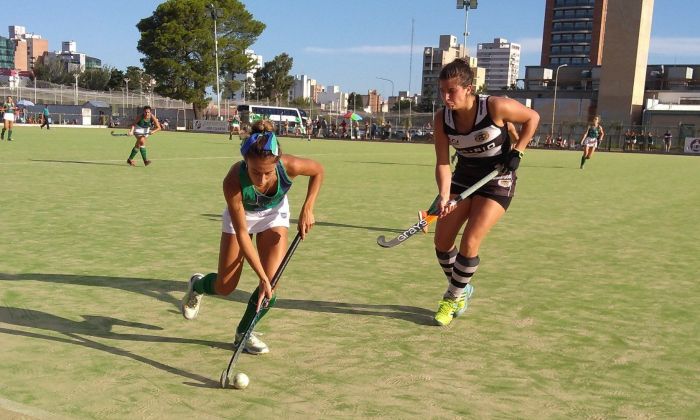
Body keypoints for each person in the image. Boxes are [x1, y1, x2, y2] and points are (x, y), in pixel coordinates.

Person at [180, 120, 323, 354]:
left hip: (274, 215)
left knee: (271, 286)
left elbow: (318, 170)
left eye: (268, 173)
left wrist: (308, 207)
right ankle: (198, 285)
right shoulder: (233, 180)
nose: (262, 179)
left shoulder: (288, 166)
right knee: (225, 286)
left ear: (277, 163)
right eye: (255, 172)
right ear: (245, 162)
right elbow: (244, 236)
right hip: (242, 219)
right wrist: (261, 277)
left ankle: (243, 333)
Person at [430, 58, 539, 327]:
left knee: (470, 241)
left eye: (451, 91)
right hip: (464, 179)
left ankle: (452, 297)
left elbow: (532, 117)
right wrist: (444, 196)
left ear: (468, 88)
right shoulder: (442, 119)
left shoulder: (493, 106)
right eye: (442, 91)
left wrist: (518, 151)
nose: (445, 97)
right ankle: (463, 286)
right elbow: (443, 162)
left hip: (497, 180)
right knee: (442, 242)